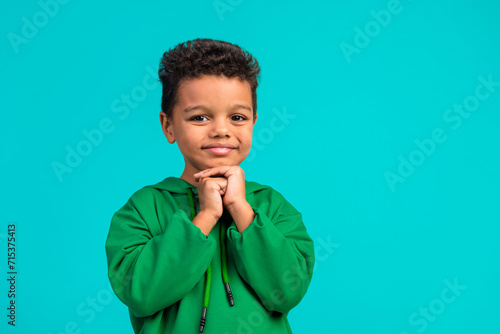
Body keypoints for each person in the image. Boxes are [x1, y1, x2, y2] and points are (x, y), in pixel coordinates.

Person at [105, 38, 315, 334]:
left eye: (237, 117)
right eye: (200, 117)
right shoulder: (141, 210)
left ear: (254, 122)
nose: (221, 129)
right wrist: (205, 217)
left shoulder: (273, 206)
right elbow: (141, 294)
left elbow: (287, 291)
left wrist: (240, 210)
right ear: (168, 126)